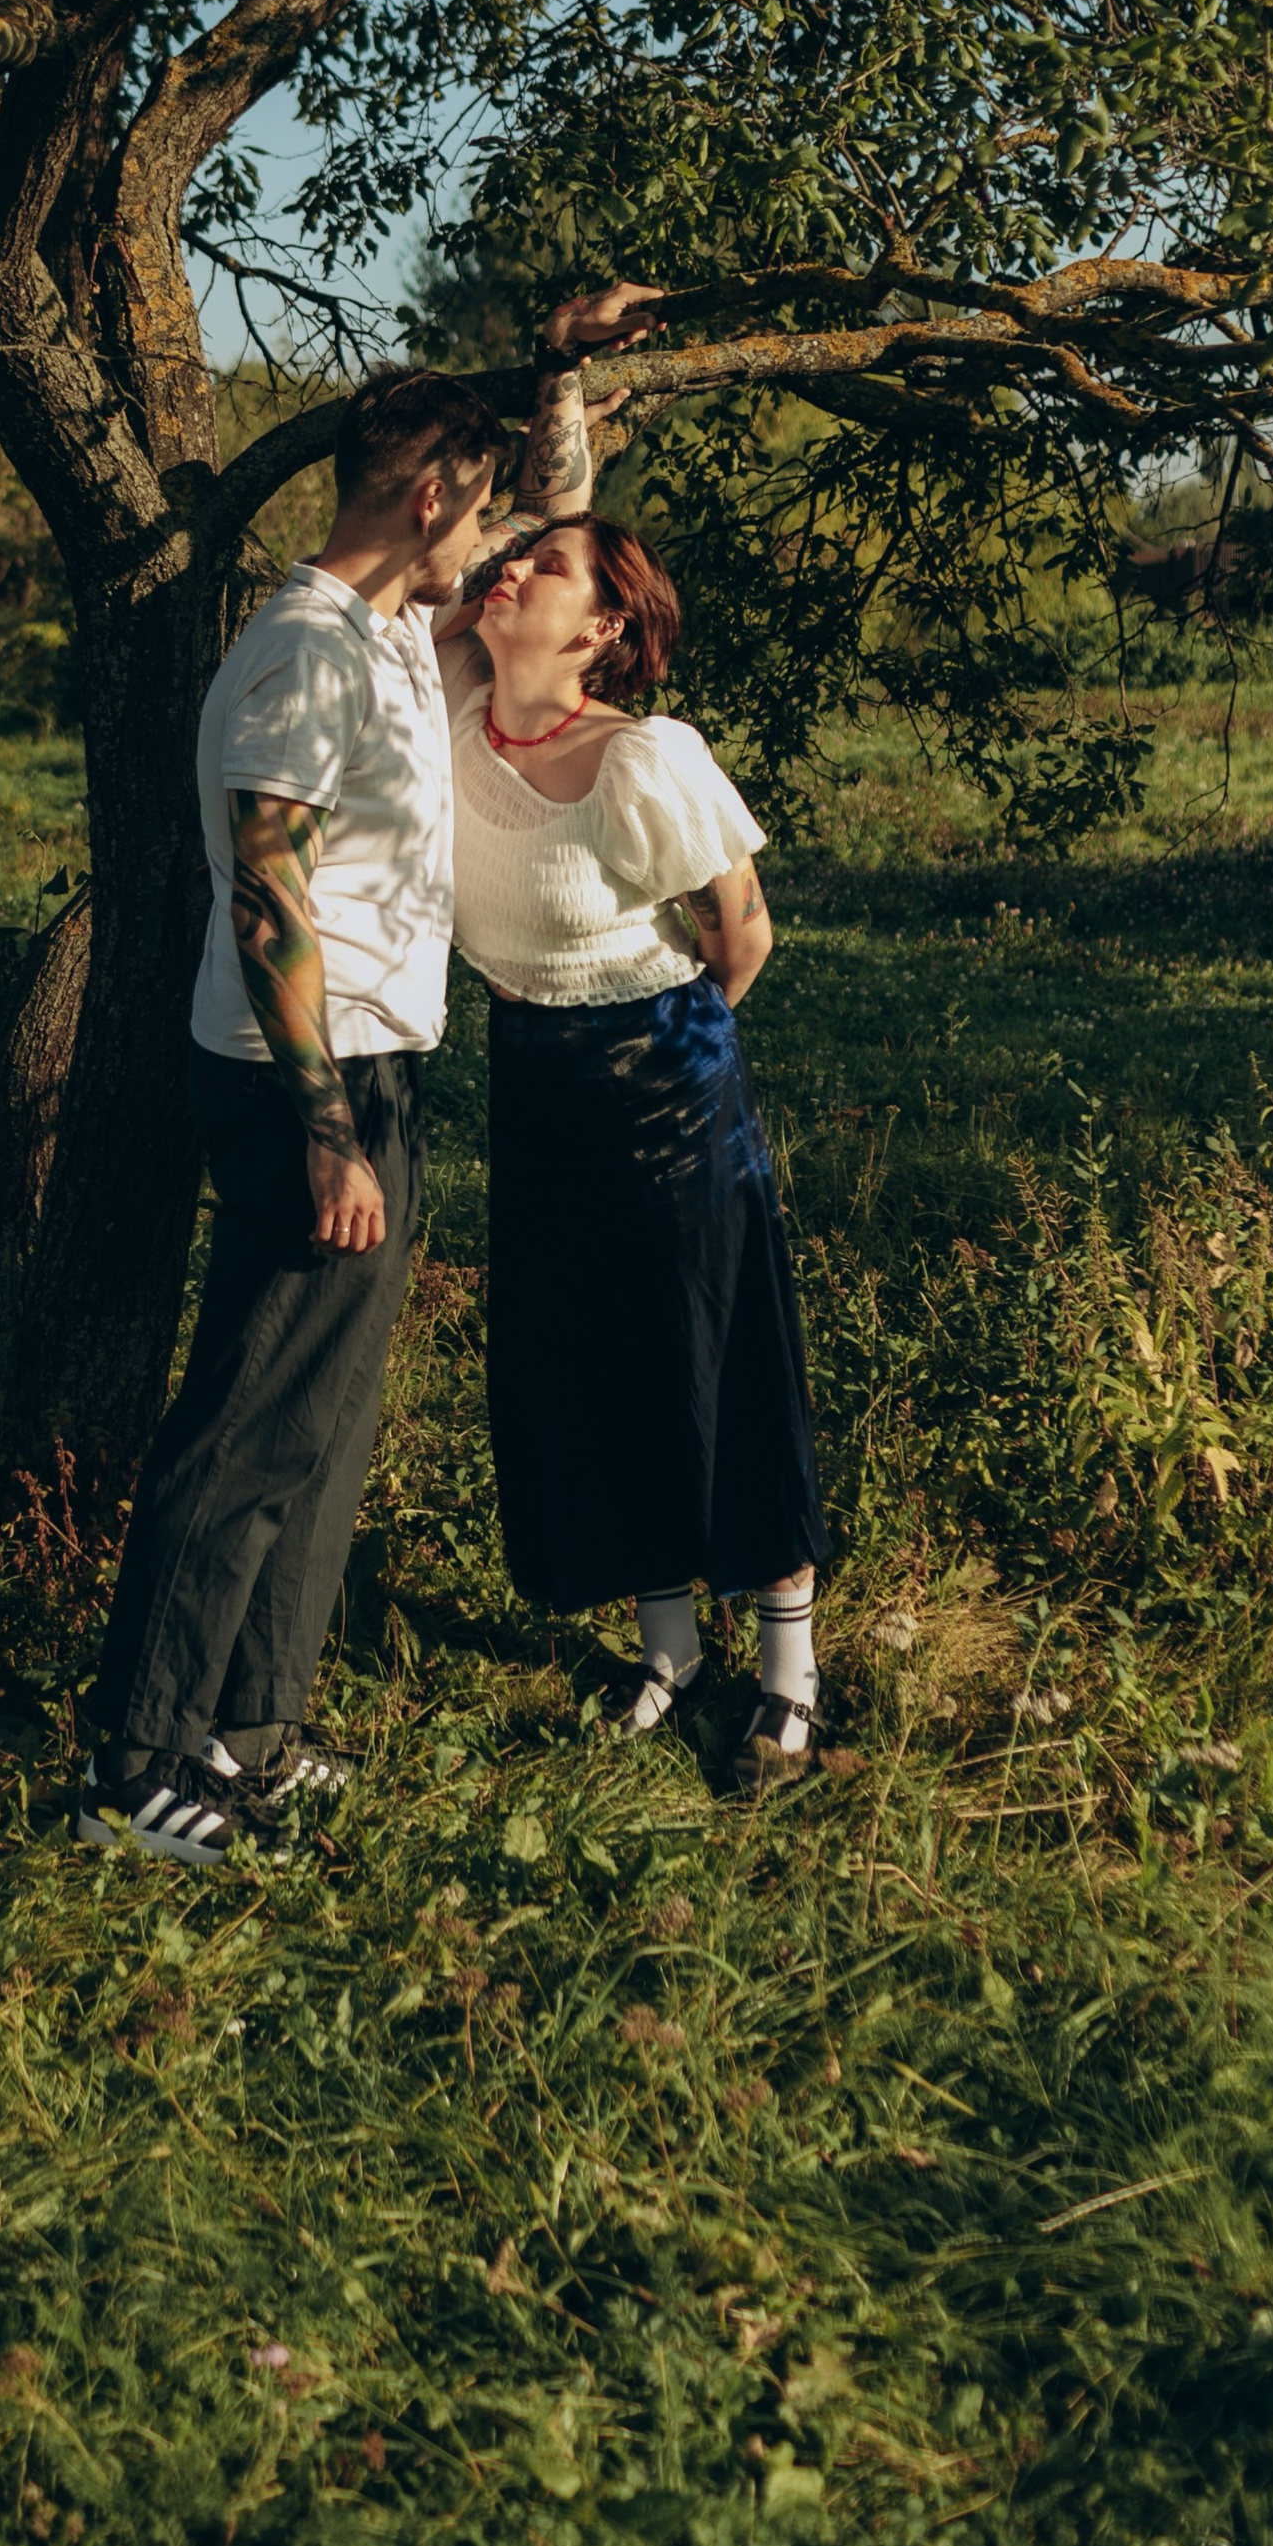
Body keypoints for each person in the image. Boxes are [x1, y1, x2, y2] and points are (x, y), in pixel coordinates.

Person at [79, 309, 641, 1865]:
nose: (505, 535)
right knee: (250, 1419)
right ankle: (133, 1763)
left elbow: (561, 513)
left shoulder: (401, 626)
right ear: (427, 497)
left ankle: (248, 1730)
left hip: (378, 1064)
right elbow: (268, 902)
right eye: (482, 502)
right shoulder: (298, 659)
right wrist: (329, 1136)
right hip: (292, 1078)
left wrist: (558, 375)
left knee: (324, 1422)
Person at [437, 477, 828, 1795]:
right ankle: (670, 1654)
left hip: (665, 1076)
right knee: (585, 1360)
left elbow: (746, 934)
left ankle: (789, 1678)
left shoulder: (647, 756)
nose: (508, 574)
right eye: (509, 559)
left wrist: (676, 1051)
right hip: (531, 1079)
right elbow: (477, 537)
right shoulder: (446, 716)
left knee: (712, 1358)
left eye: (543, 568)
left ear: (604, 628)